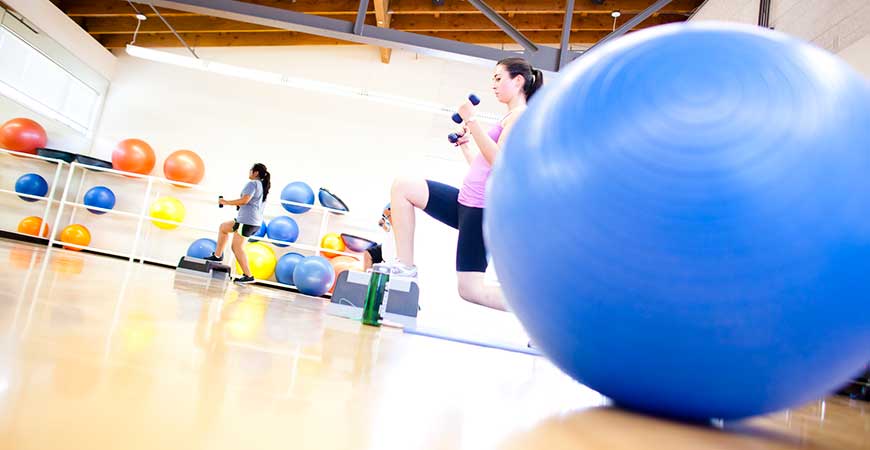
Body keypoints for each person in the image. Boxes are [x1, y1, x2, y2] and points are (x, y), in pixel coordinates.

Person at [384, 57, 543, 310]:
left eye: (498, 78)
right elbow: (483, 168)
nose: (493, 84)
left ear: (518, 81)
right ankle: (405, 266)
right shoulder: (508, 117)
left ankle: (540, 313)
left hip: (482, 211)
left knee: (470, 289)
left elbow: (499, 162)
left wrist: (471, 120)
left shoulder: (520, 116)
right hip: (465, 201)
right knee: (404, 186)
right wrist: (466, 145)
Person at [205, 163, 271, 284]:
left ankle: (248, 275)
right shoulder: (262, 185)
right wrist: (237, 205)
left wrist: (225, 202)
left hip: (247, 222)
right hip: (249, 221)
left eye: (251, 170)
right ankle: (217, 256)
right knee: (224, 227)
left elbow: (245, 200)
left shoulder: (252, 184)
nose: (249, 172)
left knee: (236, 247)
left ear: (255, 172)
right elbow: (251, 203)